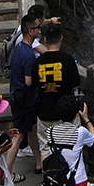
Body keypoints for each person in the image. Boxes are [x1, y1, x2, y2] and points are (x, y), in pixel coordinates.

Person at [3, 13, 42, 184]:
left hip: (17, 96)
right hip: (24, 100)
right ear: (30, 31)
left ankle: (39, 162)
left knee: (31, 129)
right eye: (37, 28)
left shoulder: (18, 49)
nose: (39, 30)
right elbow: (29, 81)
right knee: (18, 135)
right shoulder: (28, 55)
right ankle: (7, 173)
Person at [34, 24, 81, 159]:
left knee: (45, 148)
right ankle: (68, 178)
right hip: (65, 113)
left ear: (45, 40)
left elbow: (32, 84)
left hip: (44, 111)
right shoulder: (67, 60)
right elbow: (75, 84)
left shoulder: (37, 62)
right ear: (61, 38)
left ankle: (47, 179)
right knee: (69, 147)